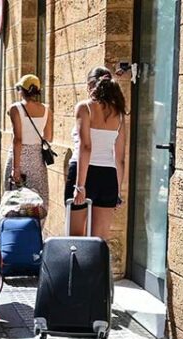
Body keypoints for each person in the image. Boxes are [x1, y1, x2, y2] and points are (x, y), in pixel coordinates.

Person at [66, 66, 126, 240]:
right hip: (108, 176)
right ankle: (97, 269)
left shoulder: (85, 108)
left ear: (90, 84)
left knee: (75, 239)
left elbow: (86, 147)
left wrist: (80, 186)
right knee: (100, 241)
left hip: (83, 173)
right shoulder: (119, 114)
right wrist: (117, 192)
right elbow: (120, 158)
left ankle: (77, 269)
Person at [4, 74, 53, 210]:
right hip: (37, 158)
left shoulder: (15, 108)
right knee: (39, 198)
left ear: (21, 90)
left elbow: (18, 139)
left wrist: (16, 168)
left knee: (13, 198)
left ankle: (15, 229)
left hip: (19, 157)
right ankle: (35, 229)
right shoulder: (47, 110)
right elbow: (48, 136)